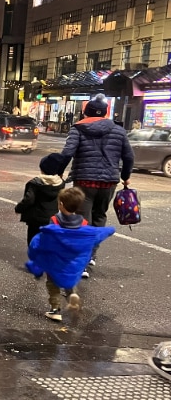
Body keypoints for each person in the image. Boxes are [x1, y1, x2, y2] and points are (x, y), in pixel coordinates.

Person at [55, 93, 134, 278]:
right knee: (100, 216)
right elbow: (129, 156)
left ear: (85, 112)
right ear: (106, 113)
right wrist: (125, 176)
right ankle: (92, 255)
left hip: (84, 181)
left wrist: (60, 171)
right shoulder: (118, 130)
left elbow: (67, 153)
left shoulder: (78, 129)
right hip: (109, 182)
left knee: (83, 219)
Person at [26, 188, 115, 322]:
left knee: (52, 285)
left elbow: (44, 240)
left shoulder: (54, 221)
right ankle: (72, 295)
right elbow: (95, 234)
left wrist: (36, 254)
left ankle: (55, 310)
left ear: (60, 204)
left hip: (55, 262)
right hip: (72, 262)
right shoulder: (83, 223)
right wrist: (110, 230)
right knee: (69, 280)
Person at [15, 153, 66, 244]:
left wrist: (19, 208)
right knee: (47, 241)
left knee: (33, 241)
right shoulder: (60, 183)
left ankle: (35, 257)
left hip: (36, 219)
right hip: (51, 218)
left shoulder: (35, 183)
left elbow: (29, 200)